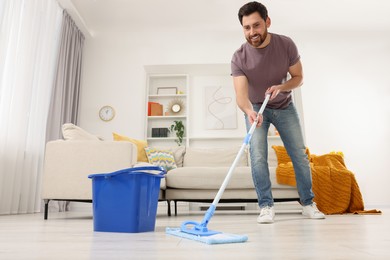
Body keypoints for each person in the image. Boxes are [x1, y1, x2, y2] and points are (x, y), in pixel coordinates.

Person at [231, 1, 325, 223]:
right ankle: (265, 206)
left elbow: (298, 78)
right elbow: (241, 96)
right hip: (255, 107)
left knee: (299, 155)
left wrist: (281, 88)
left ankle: (308, 203)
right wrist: (249, 111)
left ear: (267, 22)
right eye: (247, 28)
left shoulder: (286, 45)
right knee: (258, 156)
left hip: (284, 105)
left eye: (256, 25)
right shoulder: (239, 57)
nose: (252, 32)